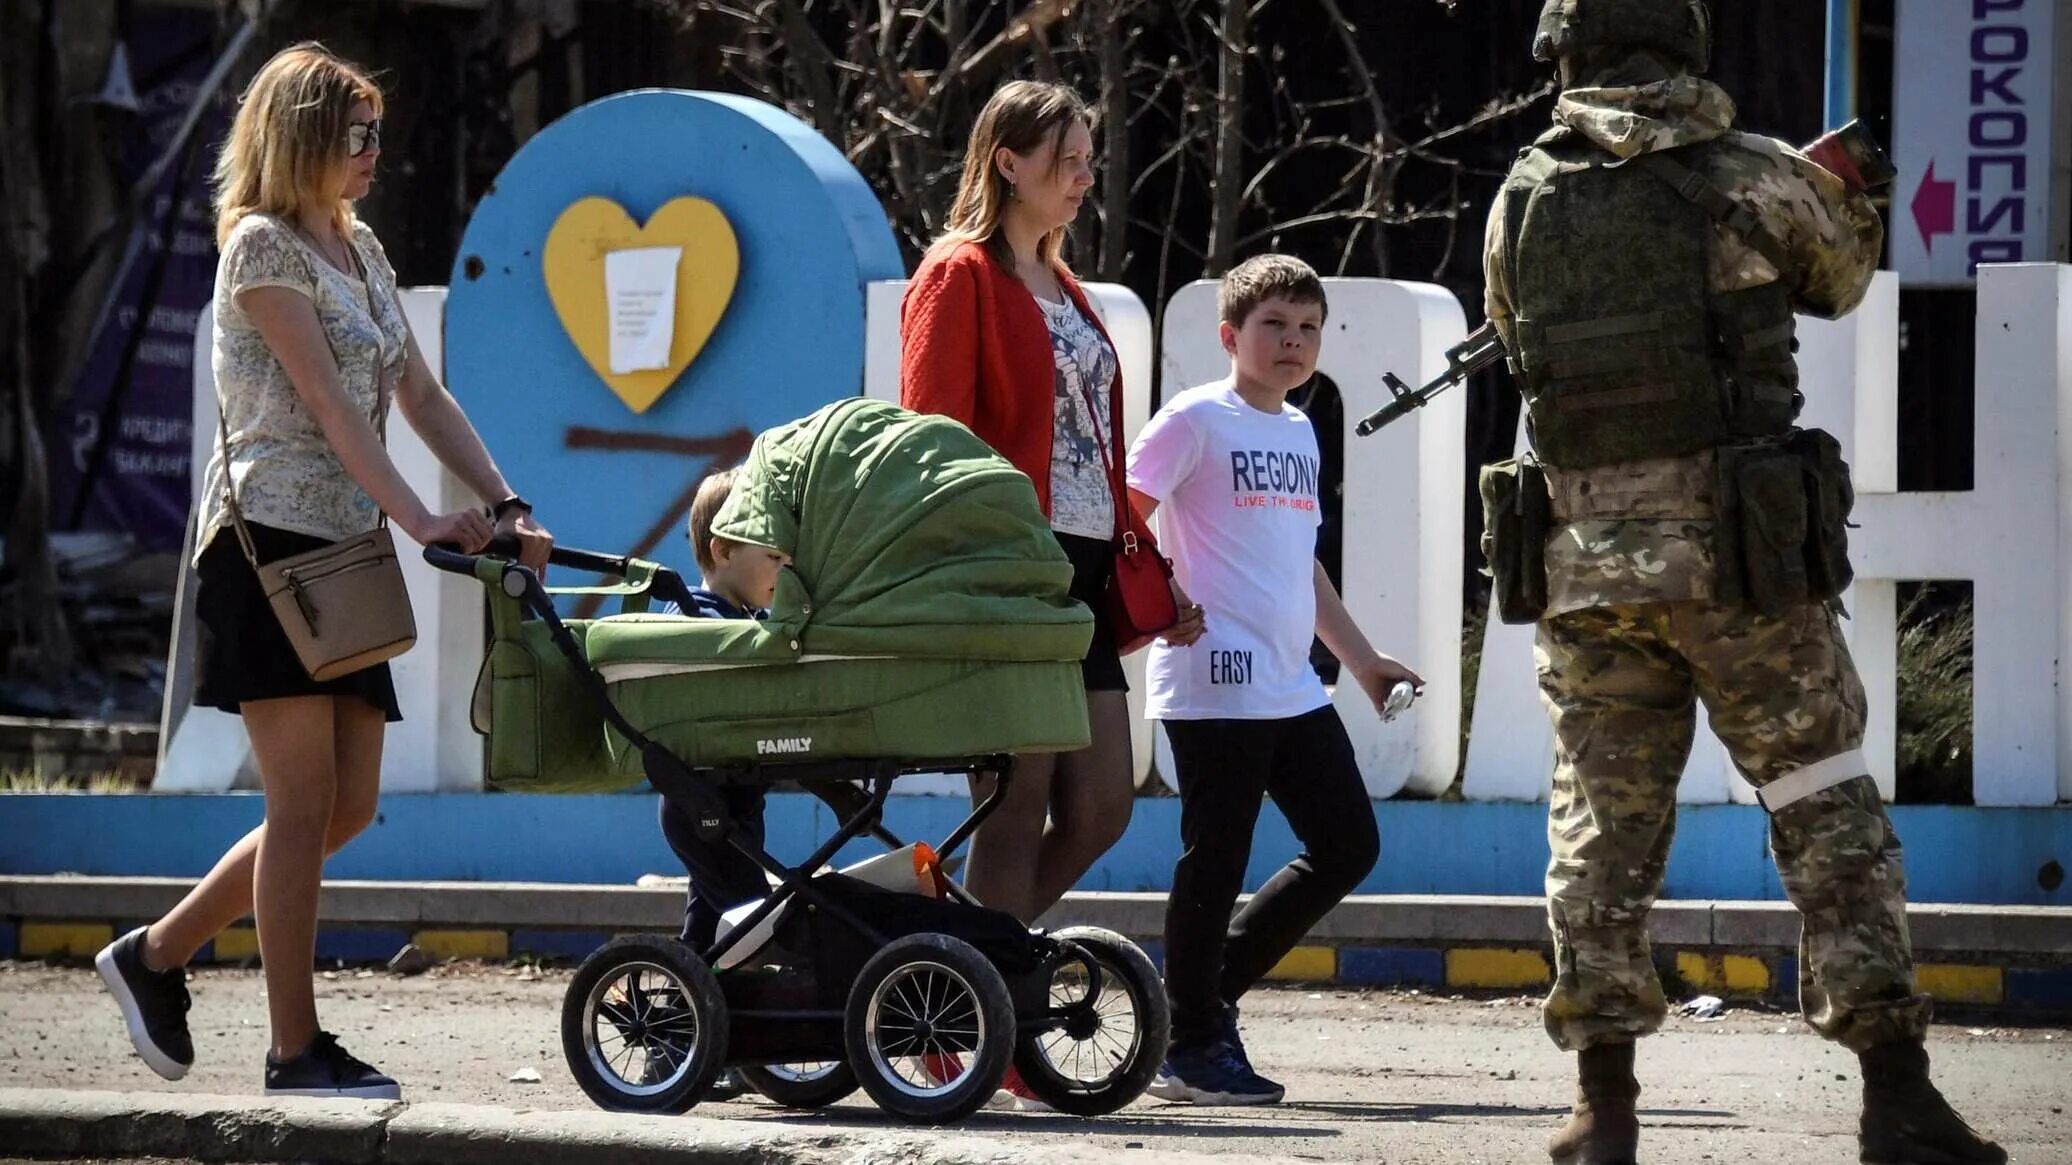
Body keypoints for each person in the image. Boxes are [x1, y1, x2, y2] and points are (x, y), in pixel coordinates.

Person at [1482, 4, 2002, 1162]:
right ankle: (1894, 1093)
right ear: (1684, 47)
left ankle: (1600, 1108)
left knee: (1599, 833)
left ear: (1564, 56)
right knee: (1824, 811)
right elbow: (1841, 275)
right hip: (1740, 571)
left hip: (1584, 571)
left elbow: (1516, 331)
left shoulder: (1521, 195)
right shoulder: (1748, 175)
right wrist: (1846, 188)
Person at [93, 43, 552, 1101]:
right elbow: (332, 408)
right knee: (302, 804)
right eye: (359, 134)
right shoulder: (259, 248)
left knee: (345, 808)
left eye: (378, 131)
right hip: (267, 547)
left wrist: (504, 498)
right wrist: (427, 517)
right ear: (301, 135)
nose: (375, 152)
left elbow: (420, 398)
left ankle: (154, 955)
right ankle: (294, 1049)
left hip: (343, 546)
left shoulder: (356, 246)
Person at [899, 79, 1203, 926]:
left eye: (1087, 160)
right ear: (1008, 162)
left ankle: (953, 967)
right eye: (1065, 160)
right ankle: (976, 1011)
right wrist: (968, 561)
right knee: (1015, 795)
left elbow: (1096, 457)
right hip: (1007, 570)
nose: (1082, 175)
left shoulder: (1071, 289)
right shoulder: (958, 273)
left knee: (1105, 803)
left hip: (1089, 570)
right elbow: (931, 439)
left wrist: (1155, 565)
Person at [1128, 254, 1422, 1106]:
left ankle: (1195, 1004)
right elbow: (1124, 522)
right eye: (1273, 327)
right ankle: (1193, 1040)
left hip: (1291, 681)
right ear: (1230, 336)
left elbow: (1304, 568)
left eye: (1308, 329)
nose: (1293, 342)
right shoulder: (1194, 420)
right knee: (1213, 860)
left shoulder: (1297, 428)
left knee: (1347, 844)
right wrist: (1165, 597)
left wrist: (1363, 663)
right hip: (1213, 676)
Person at [653, 468, 792, 951]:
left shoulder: (752, 619)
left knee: (713, 926)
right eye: (773, 555)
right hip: (701, 805)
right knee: (753, 918)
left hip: (737, 800)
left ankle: (680, 1010)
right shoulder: (695, 618)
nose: (785, 566)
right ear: (724, 550)